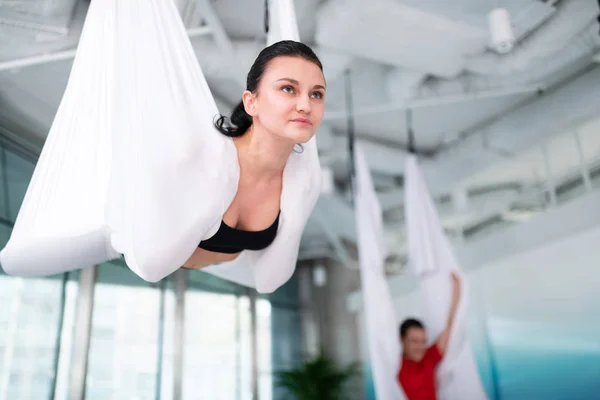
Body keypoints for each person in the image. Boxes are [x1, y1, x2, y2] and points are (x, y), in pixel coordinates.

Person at [182, 40, 326, 271]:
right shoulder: (198, 155)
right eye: (288, 89)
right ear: (251, 102)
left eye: (316, 94)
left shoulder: (302, 184)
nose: (306, 105)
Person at [397, 272, 461, 400]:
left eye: (423, 341)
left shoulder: (428, 357)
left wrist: (456, 291)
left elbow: (450, 327)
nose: (420, 347)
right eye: (414, 341)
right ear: (402, 340)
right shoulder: (396, 367)